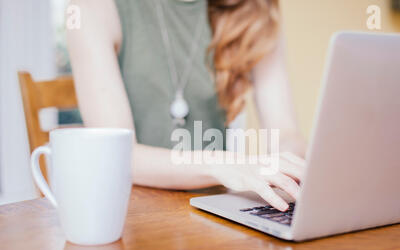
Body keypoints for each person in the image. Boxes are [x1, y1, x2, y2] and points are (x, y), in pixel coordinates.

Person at [67, 0, 308, 211]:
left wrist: (289, 165)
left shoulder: (252, 10)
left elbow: (285, 131)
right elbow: (119, 155)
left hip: (214, 210)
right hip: (130, 212)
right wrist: (225, 163)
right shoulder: (92, 8)